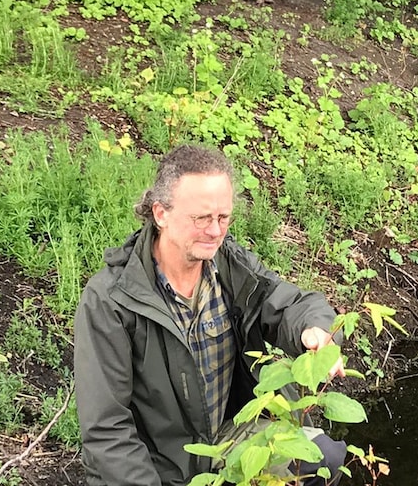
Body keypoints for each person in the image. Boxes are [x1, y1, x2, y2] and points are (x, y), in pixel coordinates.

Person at [74, 144, 347, 486]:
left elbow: (291, 303)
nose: (216, 231)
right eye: (202, 218)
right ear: (161, 213)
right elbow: (106, 429)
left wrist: (317, 330)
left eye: (223, 217)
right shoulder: (111, 300)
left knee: (322, 460)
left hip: (228, 438)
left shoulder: (228, 266)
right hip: (162, 464)